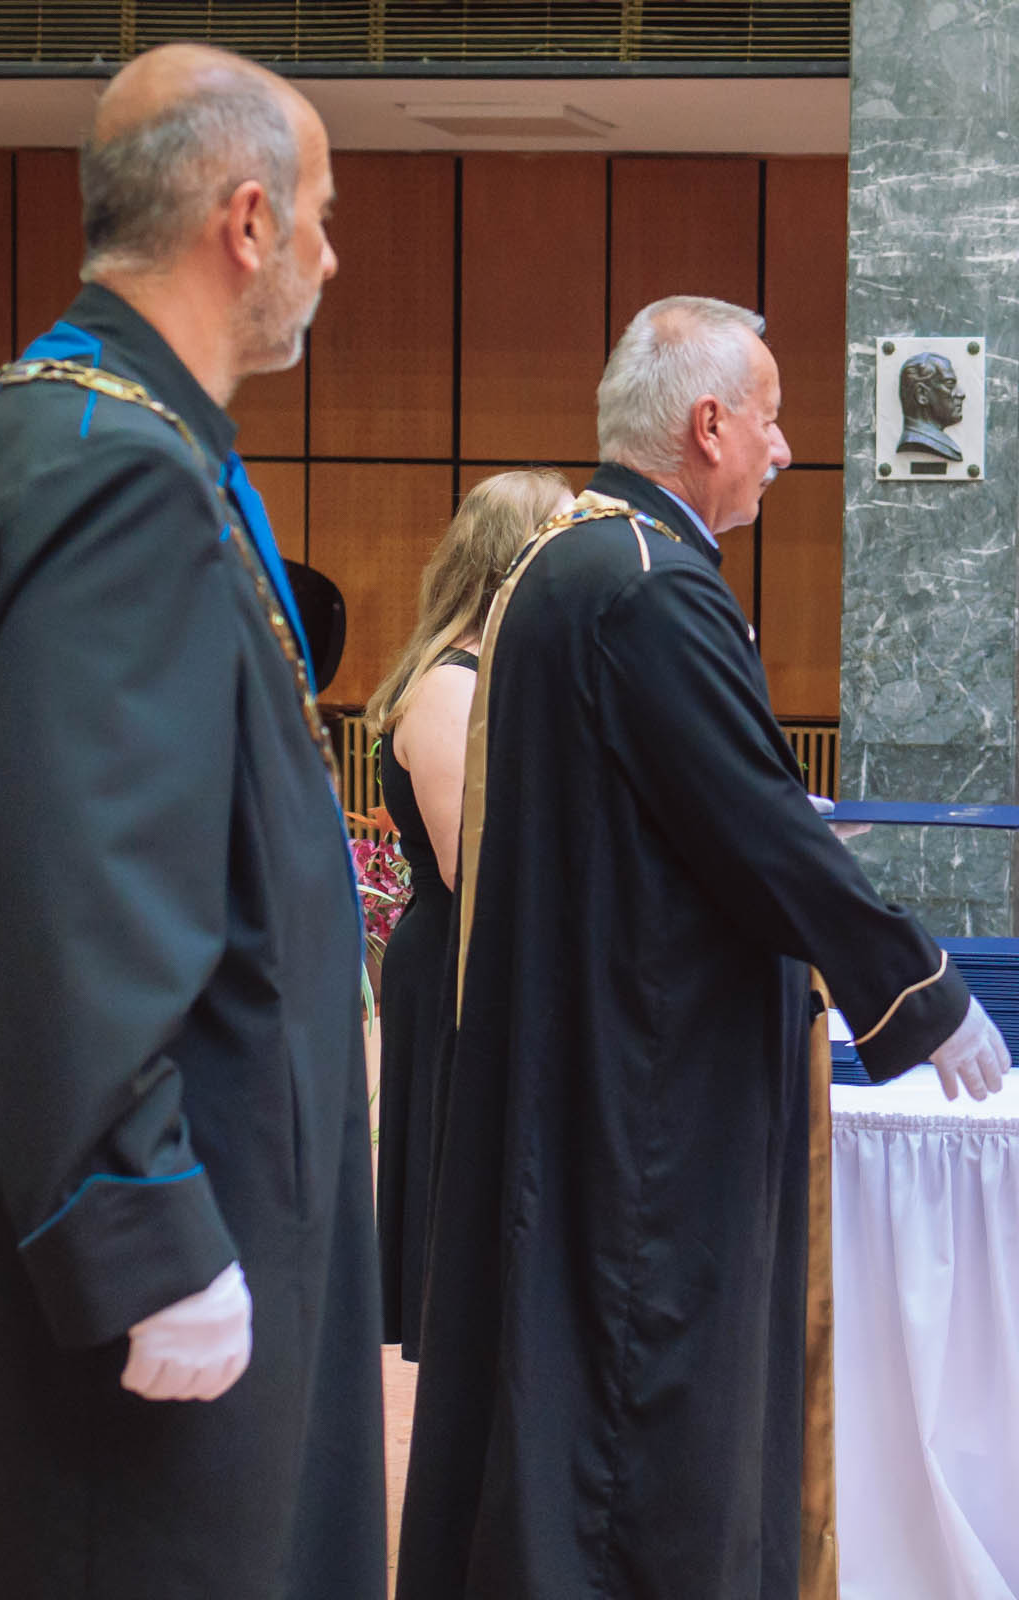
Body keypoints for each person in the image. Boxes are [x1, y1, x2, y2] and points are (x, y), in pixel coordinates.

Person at [0, 44, 387, 1600]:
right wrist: (143, 1228)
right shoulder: (116, 473)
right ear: (246, 222)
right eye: (323, 216)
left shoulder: (60, 422)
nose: (333, 257)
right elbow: (83, 883)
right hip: (152, 1273)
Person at [396, 295, 1011, 1600]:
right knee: (650, 1401)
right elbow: (754, 827)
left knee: (568, 1383)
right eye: (774, 420)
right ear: (710, 423)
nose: (786, 448)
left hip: (584, 1041)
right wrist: (924, 989)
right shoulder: (650, 585)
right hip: (651, 1085)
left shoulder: (568, 558)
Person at [366, 468, 572, 1359]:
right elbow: (471, 864)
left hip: (482, 952)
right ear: (511, 560)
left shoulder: (496, 672)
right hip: (459, 957)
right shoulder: (453, 686)